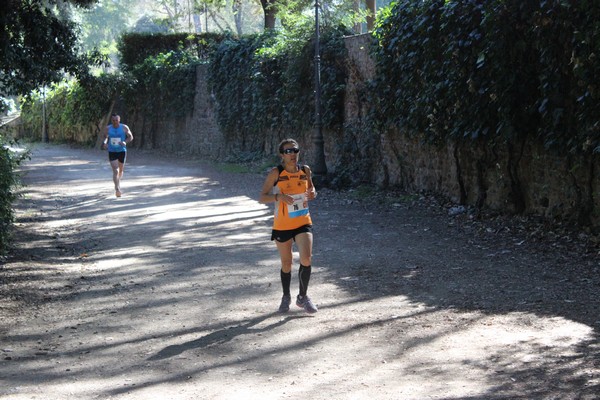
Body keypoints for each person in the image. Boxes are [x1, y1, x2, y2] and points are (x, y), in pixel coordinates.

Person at [259, 138, 319, 314]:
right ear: (282, 155)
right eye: (288, 151)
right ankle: (286, 297)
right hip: (282, 224)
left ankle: (303, 297)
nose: (292, 154)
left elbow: (311, 189)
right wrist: (279, 197)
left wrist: (313, 192)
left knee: (306, 258)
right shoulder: (275, 173)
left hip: (303, 221)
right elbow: (262, 197)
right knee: (287, 263)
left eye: (295, 150)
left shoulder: (305, 170)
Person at [101, 113, 133, 198]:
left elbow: (130, 137)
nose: (115, 122)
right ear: (111, 120)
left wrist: (125, 142)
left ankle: (118, 183)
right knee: (115, 170)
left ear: (119, 120)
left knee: (121, 171)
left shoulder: (124, 127)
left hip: (122, 151)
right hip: (112, 151)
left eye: (116, 120)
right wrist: (105, 143)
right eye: (113, 120)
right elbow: (106, 137)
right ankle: (117, 188)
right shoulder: (108, 128)